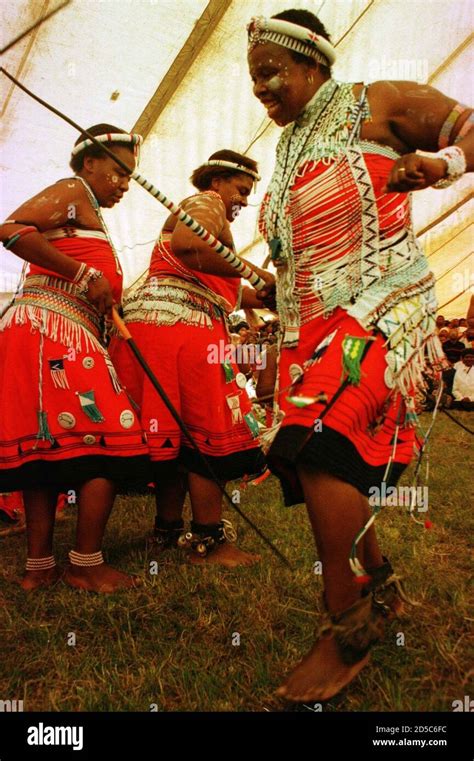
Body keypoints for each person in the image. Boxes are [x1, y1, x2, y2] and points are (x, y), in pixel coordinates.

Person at [247, 9, 473, 701]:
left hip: (380, 302)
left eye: (270, 72)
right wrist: (267, 283)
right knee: (314, 451)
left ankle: (347, 622)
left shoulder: (374, 103)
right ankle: (381, 590)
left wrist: (442, 163)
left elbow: (470, 129)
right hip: (309, 324)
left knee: (318, 441)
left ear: (313, 62)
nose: (261, 89)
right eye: (252, 78)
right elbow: (301, 254)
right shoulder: (286, 155)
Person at [0, 124, 150, 592]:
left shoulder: (87, 212)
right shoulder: (74, 190)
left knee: (43, 448)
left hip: (45, 331)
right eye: (120, 171)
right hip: (54, 329)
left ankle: (39, 568)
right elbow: (8, 229)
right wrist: (85, 274)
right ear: (90, 163)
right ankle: (85, 564)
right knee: (110, 434)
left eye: (130, 176)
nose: (125, 184)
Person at [111, 150, 275, 567]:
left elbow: (234, 289)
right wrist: (255, 270)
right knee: (206, 430)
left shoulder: (209, 242)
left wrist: (274, 289)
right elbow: (188, 243)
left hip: (161, 329)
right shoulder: (207, 203)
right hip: (184, 331)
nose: (241, 201)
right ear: (217, 181)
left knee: (176, 433)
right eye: (240, 190)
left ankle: (167, 530)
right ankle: (208, 540)